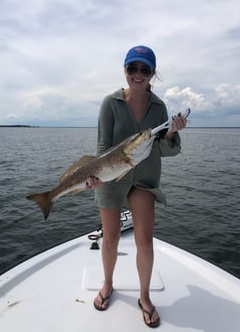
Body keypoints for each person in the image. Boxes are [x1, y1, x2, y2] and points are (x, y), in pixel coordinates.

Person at [86, 45, 187, 328]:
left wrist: (171, 134)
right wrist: (96, 175)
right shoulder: (110, 103)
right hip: (111, 176)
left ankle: (144, 296)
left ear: (153, 74)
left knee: (144, 239)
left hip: (144, 178)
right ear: (125, 71)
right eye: (133, 68)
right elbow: (102, 148)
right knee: (111, 237)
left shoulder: (160, 108)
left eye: (145, 69)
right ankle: (108, 284)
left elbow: (166, 151)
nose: (138, 74)